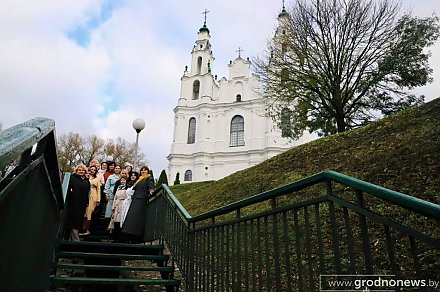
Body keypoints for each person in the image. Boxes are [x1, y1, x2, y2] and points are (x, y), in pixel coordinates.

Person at [121, 166, 155, 243]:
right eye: (142, 170)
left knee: (136, 219)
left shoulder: (148, 178)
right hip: (135, 199)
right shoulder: (139, 179)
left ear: (148, 171)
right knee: (131, 219)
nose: (143, 171)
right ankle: (129, 237)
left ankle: (135, 237)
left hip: (141, 200)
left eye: (145, 170)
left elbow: (151, 187)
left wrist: (151, 191)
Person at [63, 164, 90, 241]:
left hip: (83, 204)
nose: (81, 171)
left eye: (83, 170)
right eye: (79, 170)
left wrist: (87, 202)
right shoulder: (72, 178)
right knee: (73, 221)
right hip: (73, 203)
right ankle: (74, 239)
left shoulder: (86, 180)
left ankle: (73, 238)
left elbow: (87, 192)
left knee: (79, 221)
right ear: (76, 171)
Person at [82, 165, 100, 235]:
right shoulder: (85, 177)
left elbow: (98, 189)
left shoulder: (97, 179)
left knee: (89, 212)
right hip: (85, 195)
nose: (92, 171)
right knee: (84, 212)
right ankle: (82, 229)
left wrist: (98, 200)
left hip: (93, 196)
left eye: (94, 170)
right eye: (91, 169)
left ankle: (86, 229)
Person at [108, 177, 128, 242]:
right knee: (115, 222)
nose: (122, 181)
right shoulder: (118, 188)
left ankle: (121, 238)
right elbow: (115, 198)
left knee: (120, 222)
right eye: (121, 180)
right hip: (117, 205)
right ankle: (115, 238)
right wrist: (113, 207)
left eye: (124, 180)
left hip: (123, 205)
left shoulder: (127, 188)